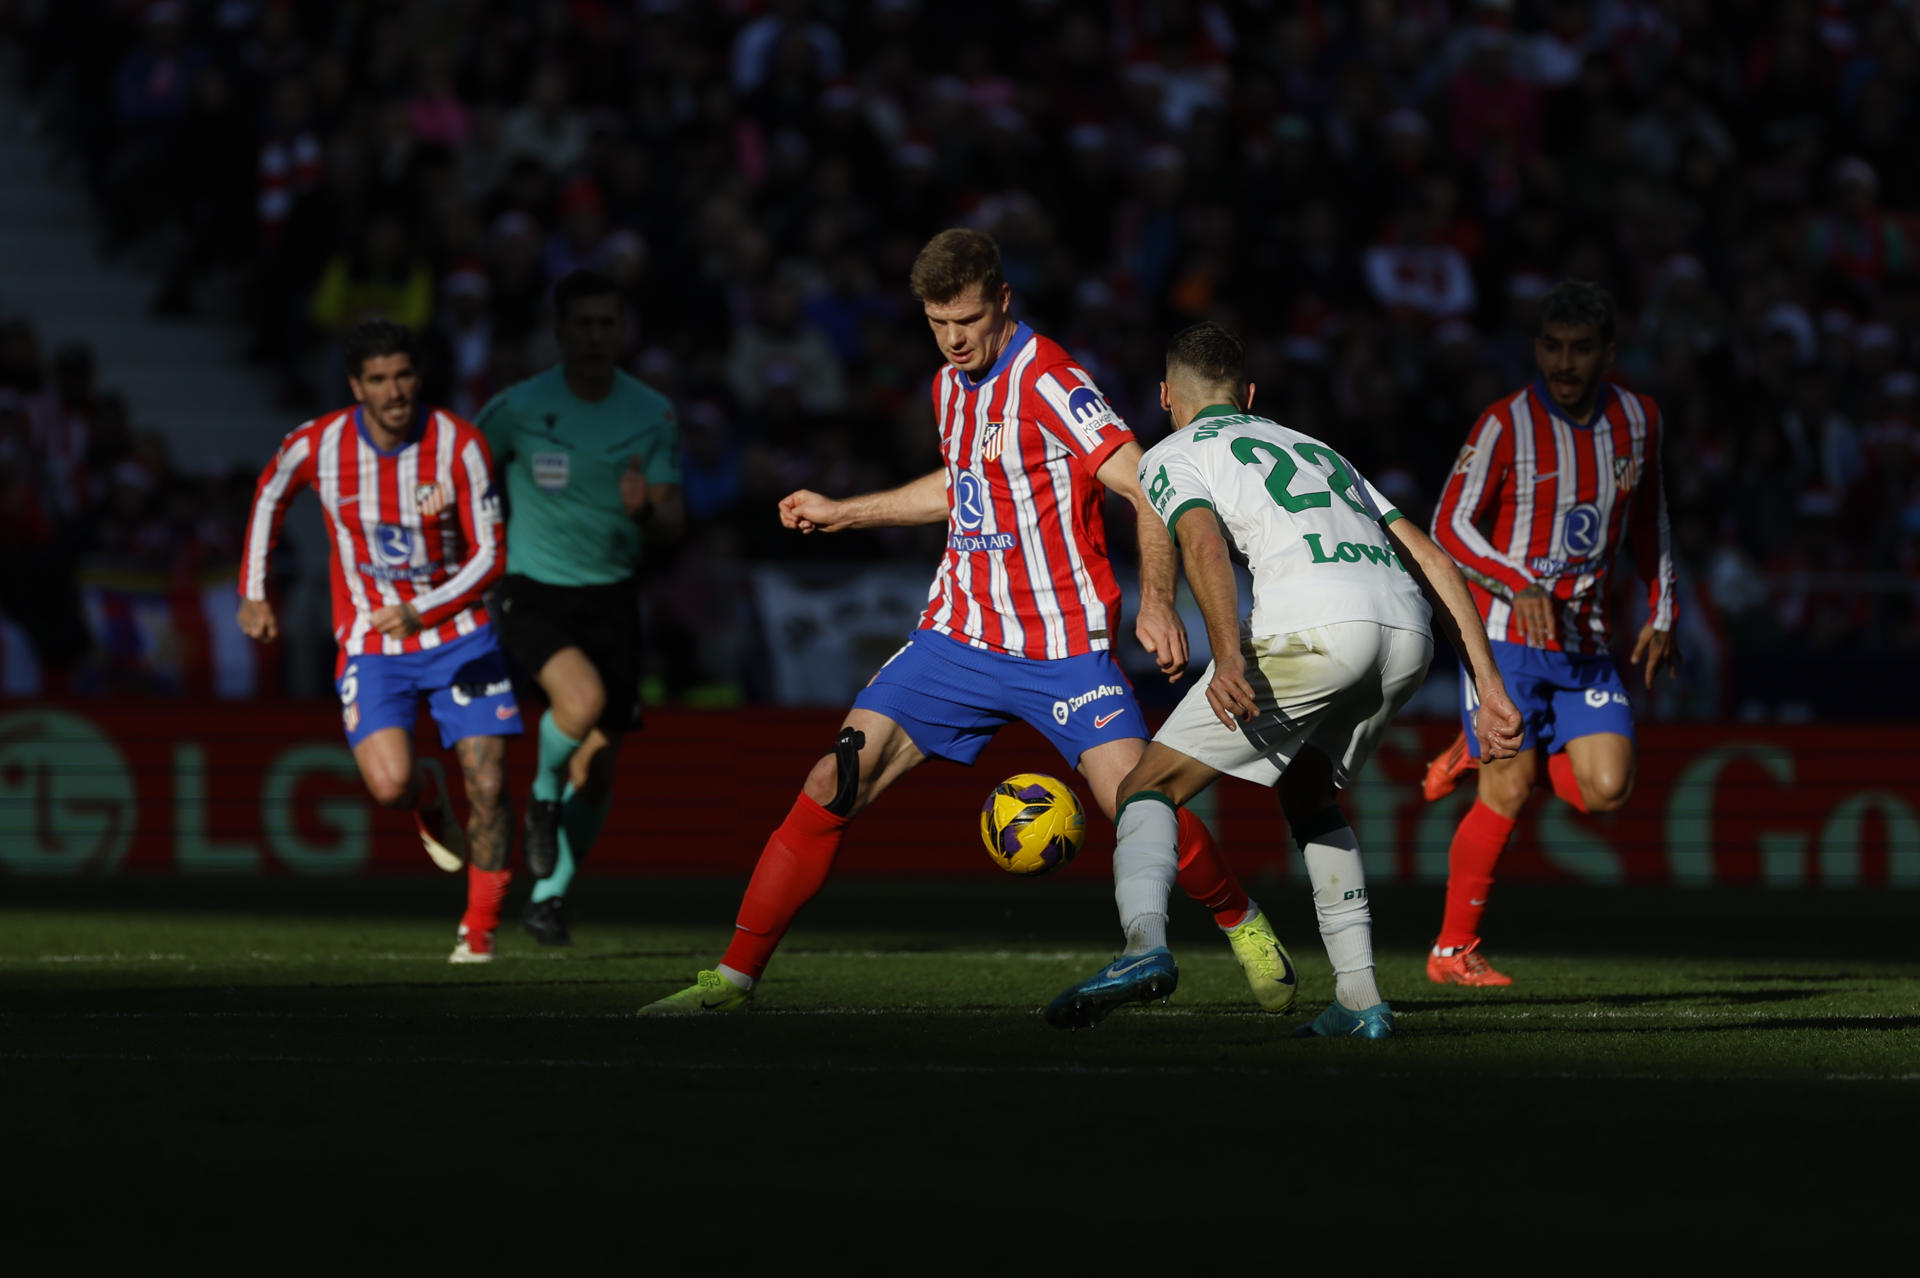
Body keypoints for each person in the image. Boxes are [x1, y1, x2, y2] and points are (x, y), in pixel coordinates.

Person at [642, 228, 1288, 1014]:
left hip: (1061, 649)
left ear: (1003, 301)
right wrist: (847, 511)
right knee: (832, 779)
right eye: (938, 323)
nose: (953, 339)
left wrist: (1156, 598)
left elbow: (1148, 480)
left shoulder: (1051, 380)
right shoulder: (950, 385)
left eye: (969, 320)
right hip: (956, 637)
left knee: (1138, 803)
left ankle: (1241, 920)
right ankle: (731, 980)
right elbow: (964, 486)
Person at [1046, 323, 1523, 1039]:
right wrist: (1489, 687)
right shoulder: (1319, 450)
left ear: (1167, 396)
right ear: (1249, 395)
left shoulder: (1172, 452)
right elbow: (1430, 557)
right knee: (1308, 793)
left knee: (1146, 787)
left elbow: (1201, 542)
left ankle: (1143, 945)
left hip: (1316, 630)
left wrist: (1227, 656)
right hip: (1407, 634)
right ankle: (1360, 1001)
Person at [1418, 279, 1680, 986]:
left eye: (1581, 349)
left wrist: (1664, 611)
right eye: (1553, 347)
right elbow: (1448, 525)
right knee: (1507, 791)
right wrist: (1519, 582)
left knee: (1607, 790)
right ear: (1536, 347)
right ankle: (1452, 951)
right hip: (1504, 637)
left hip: (1586, 643)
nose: (1565, 363)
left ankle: (1477, 748)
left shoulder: (1640, 419)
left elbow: (1651, 516)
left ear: (1609, 353)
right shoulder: (1504, 424)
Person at [237, 320, 517, 963]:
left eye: (404, 375)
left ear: (419, 376)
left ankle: (479, 930)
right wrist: (253, 591)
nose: (395, 391)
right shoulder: (318, 443)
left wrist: (423, 609)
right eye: (379, 379)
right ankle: (426, 798)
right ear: (356, 386)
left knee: (489, 784)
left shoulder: (459, 444)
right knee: (390, 787)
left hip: (460, 636)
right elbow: (270, 493)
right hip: (371, 642)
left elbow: (491, 554)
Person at [477, 269, 684, 946]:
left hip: (612, 596)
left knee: (596, 771)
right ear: (560, 331)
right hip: (533, 590)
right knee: (583, 701)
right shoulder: (518, 407)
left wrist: (646, 510)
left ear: (623, 332)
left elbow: (673, 521)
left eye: (607, 323)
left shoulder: (651, 413)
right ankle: (541, 798)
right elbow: (463, 474)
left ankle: (549, 897)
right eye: (583, 324)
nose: (595, 336)